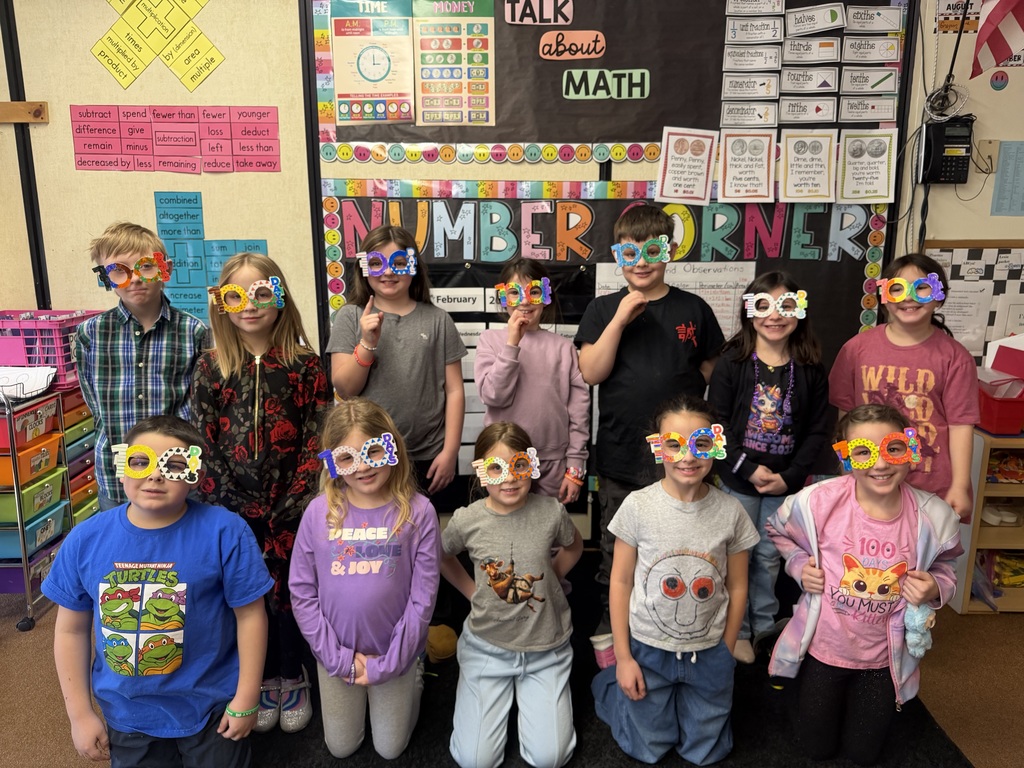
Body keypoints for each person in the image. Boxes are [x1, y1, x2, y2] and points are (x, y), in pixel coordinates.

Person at [42, 415, 273, 768]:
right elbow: (70, 630)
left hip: (210, 706)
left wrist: (247, 696)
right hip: (128, 711)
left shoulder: (225, 532)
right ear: (121, 469)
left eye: (174, 465)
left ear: (194, 476)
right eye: (140, 461)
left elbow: (251, 615)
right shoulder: (85, 540)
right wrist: (80, 714)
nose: (154, 475)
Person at [765, 404, 962, 765]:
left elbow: (948, 565)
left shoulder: (933, 517)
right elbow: (777, 529)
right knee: (816, 747)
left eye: (893, 448)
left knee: (863, 753)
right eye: (863, 452)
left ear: (910, 449)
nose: (881, 464)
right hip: (826, 648)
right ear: (845, 457)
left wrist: (935, 586)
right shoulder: (817, 503)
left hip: (884, 659)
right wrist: (798, 565)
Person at [190, 253, 331, 734]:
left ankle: (291, 674)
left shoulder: (306, 365)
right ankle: (257, 679)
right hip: (232, 512)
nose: (250, 306)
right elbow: (202, 443)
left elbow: (318, 437)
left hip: (292, 509)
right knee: (245, 595)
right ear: (221, 304)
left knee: (292, 591)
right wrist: (236, 506)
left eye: (261, 294)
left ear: (280, 296)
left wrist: (292, 502)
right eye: (236, 296)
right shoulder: (210, 367)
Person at [575, 203, 724, 628]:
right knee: (617, 547)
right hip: (622, 455)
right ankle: (614, 625)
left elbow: (714, 375)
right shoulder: (603, 310)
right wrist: (621, 318)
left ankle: (675, 622)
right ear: (617, 257)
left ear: (669, 252)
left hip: (684, 458)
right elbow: (591, 372)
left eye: (651, 251)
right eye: (629, 253)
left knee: (681, 545)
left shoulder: (694, 308)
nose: (641, 262)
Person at [592, 395, 758, 766]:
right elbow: (619, 582)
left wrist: (727, 647)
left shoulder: (731, 512)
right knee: (648, 747)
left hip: (710, 649)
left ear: (715, 444)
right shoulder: (637, 506)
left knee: (707, 751)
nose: (688, 456)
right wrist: (623, 657)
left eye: (700, 442)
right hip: (648, 649)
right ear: (658, 447)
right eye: (674, 444)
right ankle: (608, 685)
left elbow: (738, 585)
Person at [289, 398, 440, 759]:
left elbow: (423, 599)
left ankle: (415, 673)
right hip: (335, 655)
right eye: (347, 458)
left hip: (395, 654)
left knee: (390, 749)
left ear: (392, 449)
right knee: (341, 747)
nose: (363, 467)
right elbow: (302, 592)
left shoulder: (419, 511)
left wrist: (392, 663)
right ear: (333, 463)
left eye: (372, 451)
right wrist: (337, 659)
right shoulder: (318, 512)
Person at [440, 422, 583, 768]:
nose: (509, 478)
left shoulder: (551, 512)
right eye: (495, 468)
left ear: (530, 466)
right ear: (480, 473)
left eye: (518, 465)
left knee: (551, 758)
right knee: (474, 761)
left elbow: (574, 545)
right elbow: (442, 555)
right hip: (488, 648)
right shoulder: (467, 520)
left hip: (545, 647)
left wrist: (551, 576)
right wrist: (472, 592)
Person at [708, 272, 830, 663]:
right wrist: (746, 468)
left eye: (786, 306)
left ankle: (764, 626)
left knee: (769, 556)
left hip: (785, 483)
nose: (774, 316)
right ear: (749, 311)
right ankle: (738, 628)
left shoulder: (811, 367)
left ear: (800, 311)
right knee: (738, 555)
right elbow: (717, 424)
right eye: (763, 305)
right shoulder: (732, 363)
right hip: (739, 480)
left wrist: (790, 477)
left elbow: (817, 430)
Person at [829, 253, 979, 521]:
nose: (908, 298)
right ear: (884, 296)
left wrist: (959, 485)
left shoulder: (955, 357)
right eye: (897, 288)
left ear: (939, 296)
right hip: (870, 476)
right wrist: (846, 468)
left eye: (921, 287)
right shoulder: (855, 350)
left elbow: (960, 426)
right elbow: (844, 417)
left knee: (926, 562)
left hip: (930, 485)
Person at [327, 224, 467, 507]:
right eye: (377, 263)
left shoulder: (438, 320)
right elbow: (345, 387)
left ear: (413, 267)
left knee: (426, 536)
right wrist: (366, 342)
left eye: (399, 263)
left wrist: (450, 452)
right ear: (365, 269)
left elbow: (454, 391)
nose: (388, 272)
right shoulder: (350, 317)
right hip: (369, 456)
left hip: (427, 455)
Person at [75, 221, 207, 511]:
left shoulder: (193, 332)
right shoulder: (90, 334)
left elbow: (196, 407)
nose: (134, 279)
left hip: (177, 475)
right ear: (107, 277)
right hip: (116, 476)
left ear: (165, 269)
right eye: (119, 271)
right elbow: (96, 405)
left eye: (145, 267)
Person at [474, 256, 589, 504]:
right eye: (515, 293)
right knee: (504, 527)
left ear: (546, 296)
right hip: (502, 461)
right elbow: (494, 395)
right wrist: (512, 344)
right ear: (503, 297)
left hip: (552, 462)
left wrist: (575, 465)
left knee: (549, 532)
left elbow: (579, 412)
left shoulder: (563, 347)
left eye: (533, 291)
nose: (525, 300)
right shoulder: (490, 340)